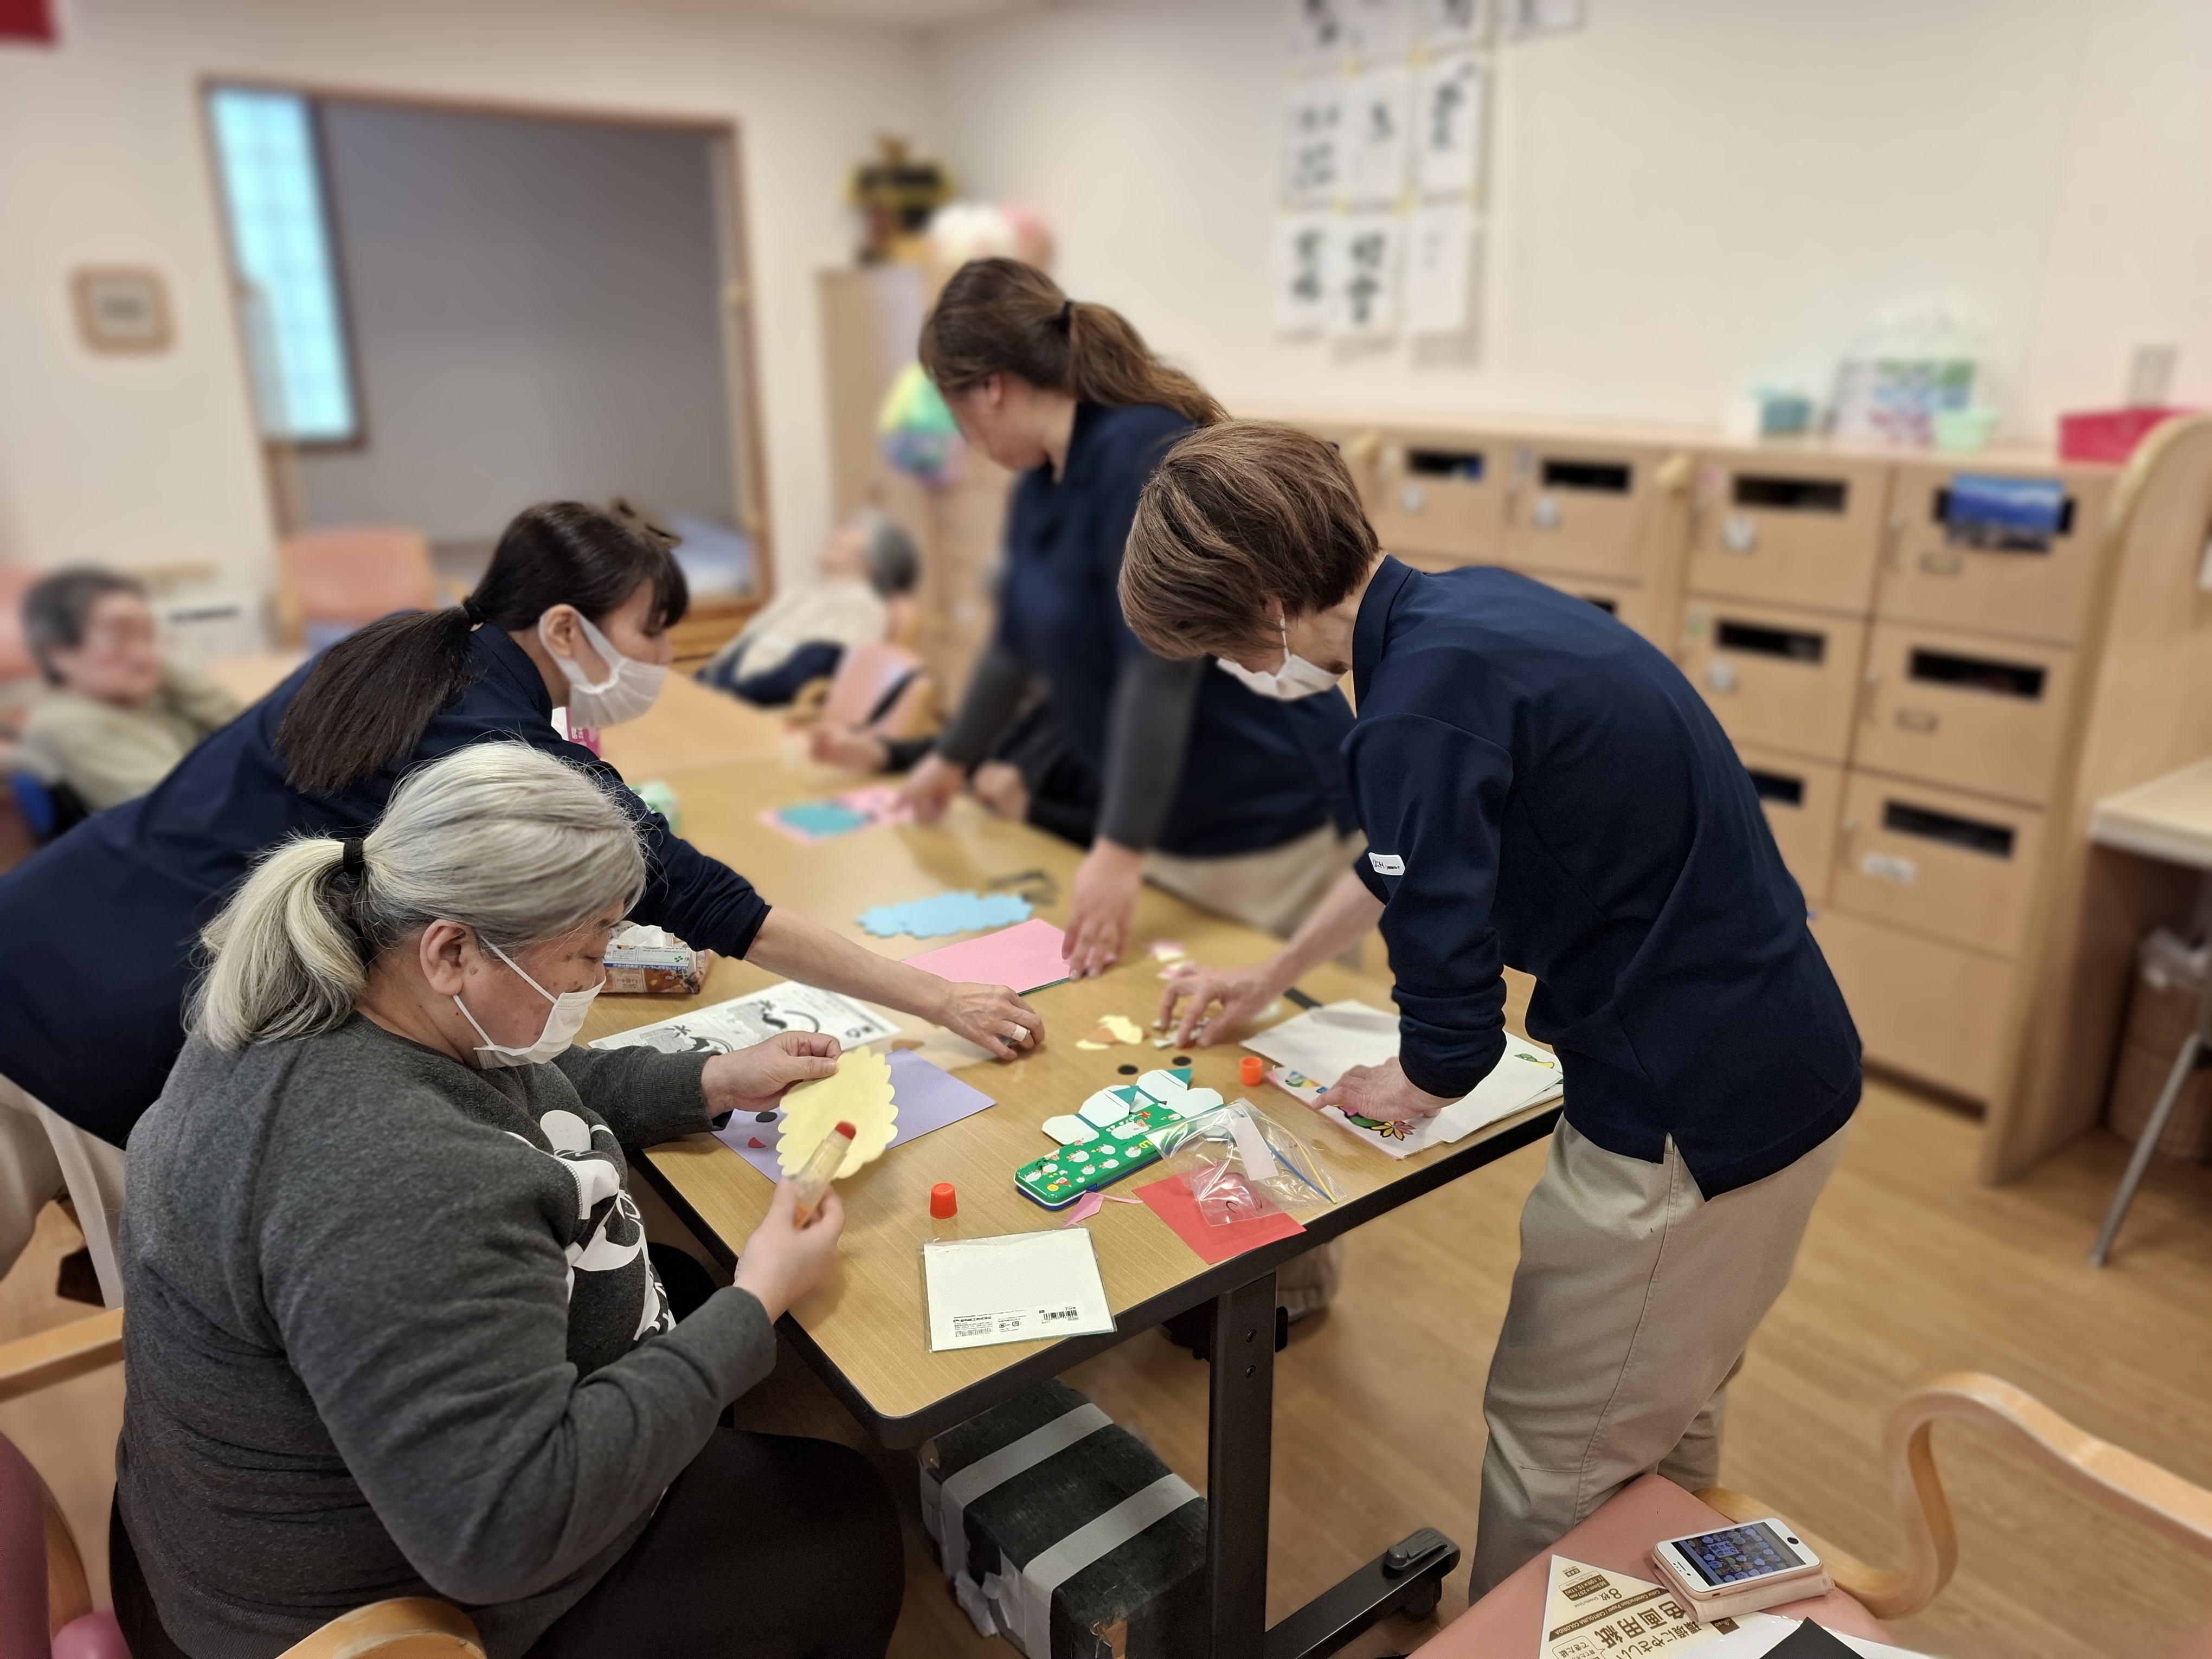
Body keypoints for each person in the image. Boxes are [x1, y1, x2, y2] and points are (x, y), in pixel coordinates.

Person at [1123, 422, 1861, 1594]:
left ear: (1264, 605)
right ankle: (1658, 1622)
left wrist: (1416, 1077)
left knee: (1553, 1452)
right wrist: (1270, 977)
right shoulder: (1471, 613)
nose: (1239, 669)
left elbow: (1449, 1009)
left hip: (1688, 1109)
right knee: (1662, 1402)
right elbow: (1414, 851)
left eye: (1222, 643)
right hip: (1784, 1054)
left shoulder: (1413, 710)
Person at [112, 743, 902, 1658]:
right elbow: (499, 1536)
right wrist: (756, 1302)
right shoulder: (398, 1179)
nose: (596, 980)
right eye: (587, 953)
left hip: (264, 1521)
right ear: (452, 950)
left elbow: (534, 1085)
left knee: (680, 1283)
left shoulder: (352, 992)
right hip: (379, 1616)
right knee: (841, 1521)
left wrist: (713, 1079)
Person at [0, 501, 1039, 1166]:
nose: (662, 657)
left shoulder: (405, 647)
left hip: (51, 914)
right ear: (564, 629)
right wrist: (938, 996)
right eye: (652, 630)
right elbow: (727, 910)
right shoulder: (496, 744)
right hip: (120, 1015)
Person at [899, 260, 1361, 979]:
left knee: (1272, 1024)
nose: (964, 437)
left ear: (991, 388)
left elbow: (1159, 669)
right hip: (1170, 816)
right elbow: (1013, 643)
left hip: (1264, 810)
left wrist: (1117, 850)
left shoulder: (1140, 452)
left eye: (955, 413)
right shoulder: (1041, 479)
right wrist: (949, 758)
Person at [17, 567, 240, 812]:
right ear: (60, 654)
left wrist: (156, 668)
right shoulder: (72, 725)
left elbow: (239, 726)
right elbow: (189, 806)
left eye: (148, 635)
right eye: (119, 639)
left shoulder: (136, 699)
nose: (145, 654)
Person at [812, 681, 1101, 850]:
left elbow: (1116, 836)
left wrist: (1031, 809)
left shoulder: (1118, 721)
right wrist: (883, 753)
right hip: (996, 846)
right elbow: (974, 749)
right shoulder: (1062, 695)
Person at [696, 510, 921, 706]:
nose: (838, 532)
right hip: (727, 699)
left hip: (759, 712)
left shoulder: (862, 606)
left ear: (874, 563)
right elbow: (742, 649)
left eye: (852, 531)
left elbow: (795, 679)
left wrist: (720, 696)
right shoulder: (800, 594)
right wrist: (701, 687)